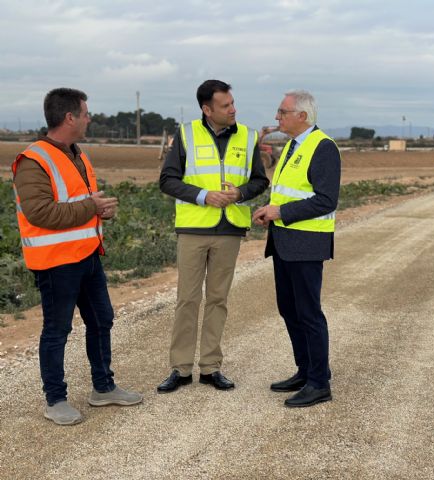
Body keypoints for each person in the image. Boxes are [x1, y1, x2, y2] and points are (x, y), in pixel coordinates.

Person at [12, 88, 142, 426]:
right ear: (69, 117)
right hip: (56, 262)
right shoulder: (33, 160)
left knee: (101, 320)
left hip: (87, 255)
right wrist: (91, 207)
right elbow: (40, 213)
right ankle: (55, 400)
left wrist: (101, 211)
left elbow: (80, 203)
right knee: (57, 330)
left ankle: (104, 387)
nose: (89, 118)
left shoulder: (77, 154)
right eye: (85, 113)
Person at [158, 80, 269, 393]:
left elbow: (259, 181)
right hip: (193, 228)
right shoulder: (186, 134)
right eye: (225, 105)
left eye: (232, 103)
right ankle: (180, 369)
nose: (233, 109)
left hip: (229, 229)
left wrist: (240, 193)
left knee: (218, 299)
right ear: (207, 109)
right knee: (187, 300)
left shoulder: (248, 136)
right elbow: (167, 180)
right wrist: (203, 195)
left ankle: (210, 367)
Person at [253, 90, 341, 408]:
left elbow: (326, 200)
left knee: (309, 313)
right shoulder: (292, 146)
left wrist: (280, 212)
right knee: (289, 310)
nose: (277, 117)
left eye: (282, 112)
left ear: (302, 116)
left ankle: (319, 383)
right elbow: (289, 192)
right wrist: (271, 210)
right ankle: (306, 371)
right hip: (284, 242)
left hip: (307, 244)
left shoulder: (323, 147)